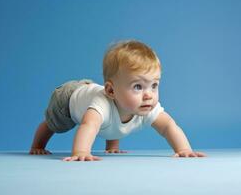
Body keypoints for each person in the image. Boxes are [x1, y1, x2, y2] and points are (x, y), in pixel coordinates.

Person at [29, 40, 206, 161]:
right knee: (55, 124)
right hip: (69, 98)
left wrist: (183, 149)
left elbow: (169, 126)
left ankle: (111, 145)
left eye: (154, 85)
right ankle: (37, 144)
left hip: (92, 91)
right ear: (111, 90)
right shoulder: (101, 106)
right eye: (138, 86)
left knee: (115, 118)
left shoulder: (147, 105)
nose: (148, 95)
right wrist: (81, 152)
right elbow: (88, 127)